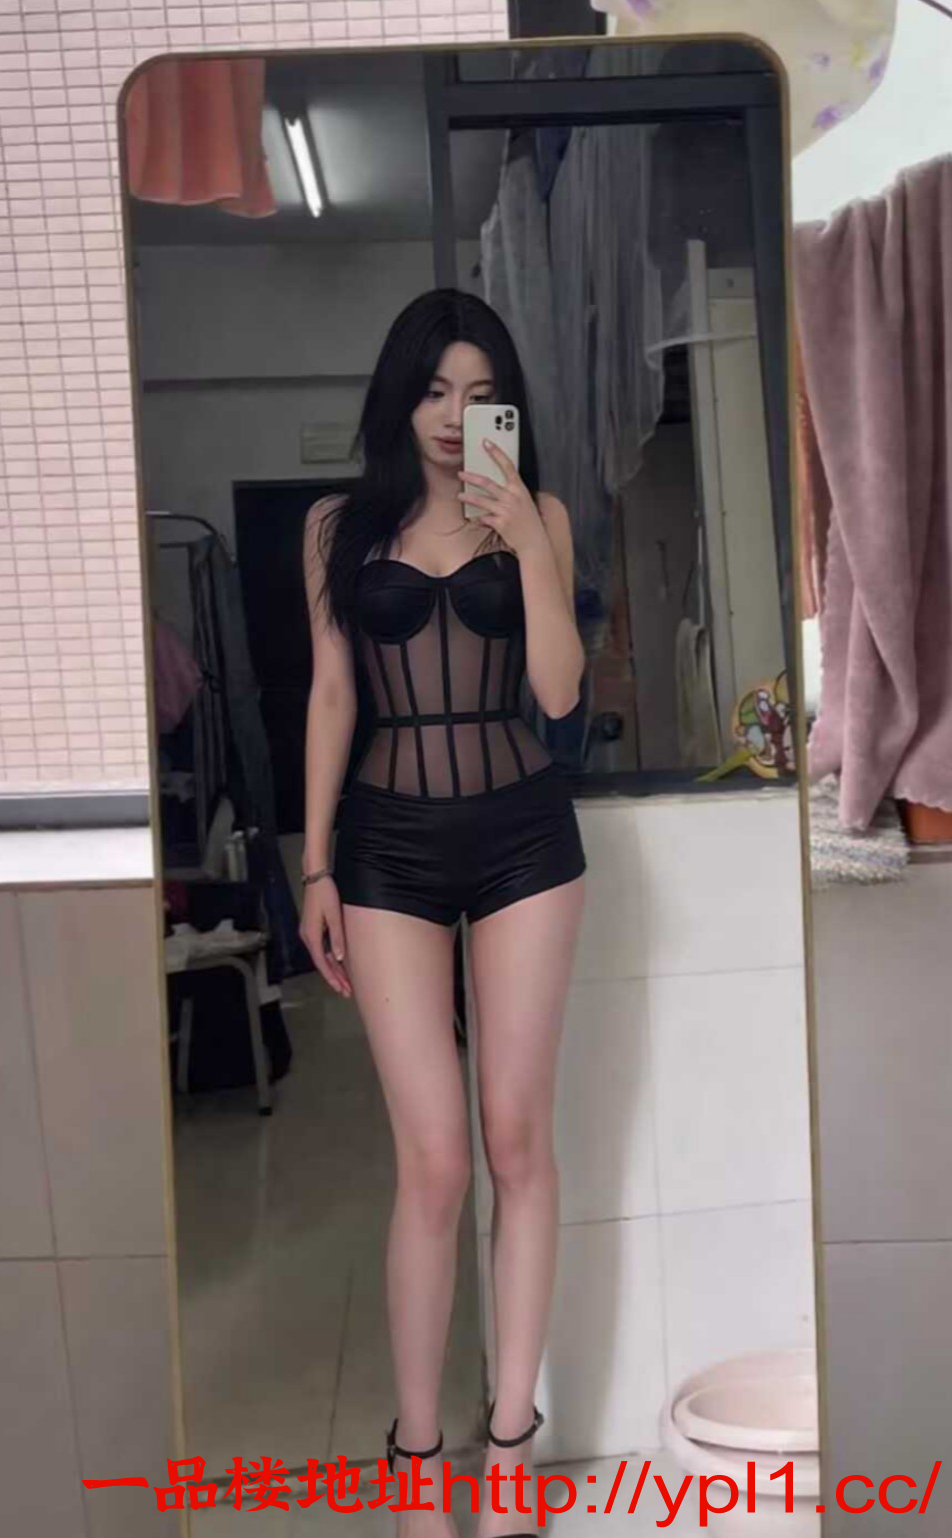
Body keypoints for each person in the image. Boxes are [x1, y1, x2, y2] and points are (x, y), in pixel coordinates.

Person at [300, 288, 588, 1538]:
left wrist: (526, 540)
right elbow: (331, 695)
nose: (451, 414)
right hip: (385, 852)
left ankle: (511, 1447)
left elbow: (558, 695)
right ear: (398, 394)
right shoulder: (336, 526)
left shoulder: (541, 515)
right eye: (431, 388)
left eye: (478, 394)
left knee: (518, 1141)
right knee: (432, 1161)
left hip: (525, 838)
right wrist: (314, 867)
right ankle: (419, 1460)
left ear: (503, 407)